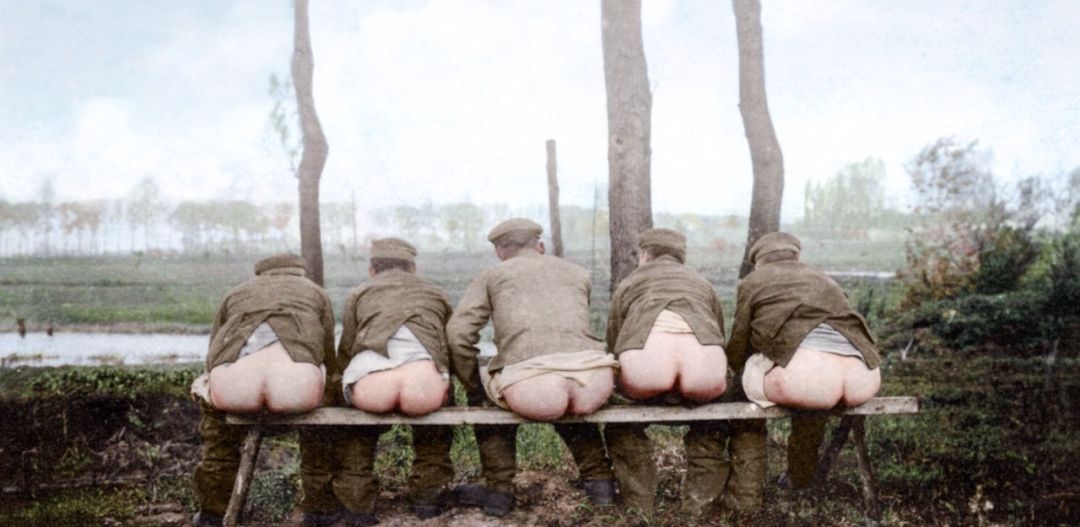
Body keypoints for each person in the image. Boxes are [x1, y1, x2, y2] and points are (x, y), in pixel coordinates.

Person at [446, 218, 619, 517]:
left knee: (489, 401)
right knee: (566, 388)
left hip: (534, 388)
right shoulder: (578, 272)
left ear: (500, 251)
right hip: (594, 381)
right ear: (540, 246)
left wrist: (474, 385)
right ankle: (600, 482)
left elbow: (457, 335)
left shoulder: (493, 275)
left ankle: (499, 492)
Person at [605, 228, 760, 517]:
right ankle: (698, 507)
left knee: (620, 423)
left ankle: (640, 507)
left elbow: (614, 343)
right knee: (712, 422)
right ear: (681, 256)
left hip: (646, 375)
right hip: (702, 377)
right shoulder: (702, 284)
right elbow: (717, 335)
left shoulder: (629, 283)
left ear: (644, 254)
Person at [190, 254, 345, 527]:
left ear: (260, 274)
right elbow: (328, 354)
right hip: (295, 388)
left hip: (237, 387)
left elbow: (214, 353)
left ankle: (212, 513)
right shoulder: (316, 293)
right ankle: (320, 510)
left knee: (218, 433)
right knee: (320, 432)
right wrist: (331, 388)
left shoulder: (235, 293)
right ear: (299, 272)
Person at [727, 231, 882, 490]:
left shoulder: (753, 281)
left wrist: (732, 371)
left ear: (759, 262)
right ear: (796, 256)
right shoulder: (824, 279)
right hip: (863, 378)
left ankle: (745, 483)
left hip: (806, 380)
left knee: (745, 387)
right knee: (814, 399)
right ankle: (800, 477)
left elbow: (740, 341)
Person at [333, 237, 454, 520]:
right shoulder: (435, 292)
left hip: (372, 386)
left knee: (357, 429)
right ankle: (428, 498)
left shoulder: (359, 292)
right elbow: (448, 345)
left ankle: (357, 505)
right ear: (413, 268)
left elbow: (347, 348)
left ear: (372, 269)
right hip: (422, 386)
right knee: (437, 422)